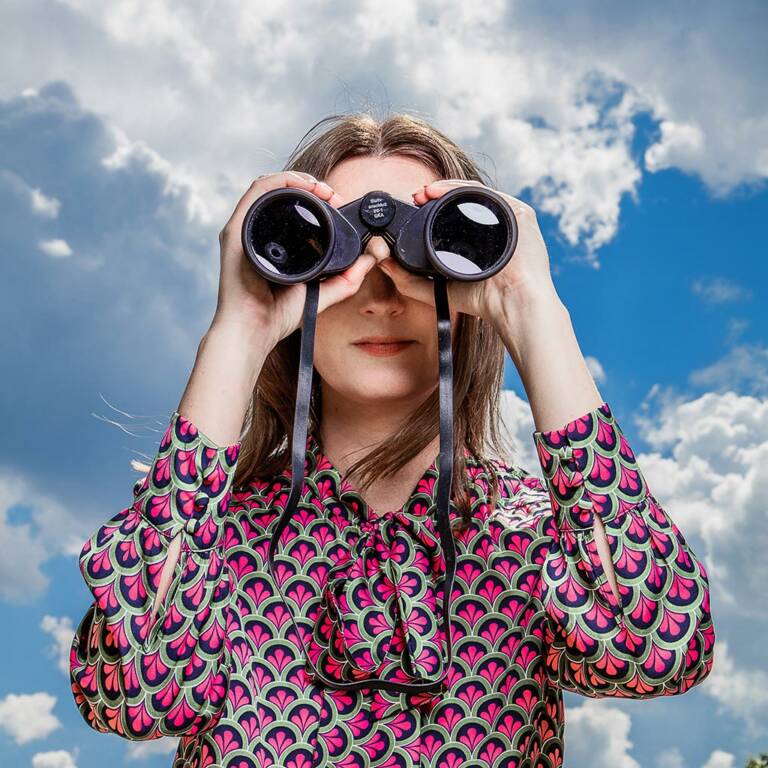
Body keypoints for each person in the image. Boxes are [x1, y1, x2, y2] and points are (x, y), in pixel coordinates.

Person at [69, 112, 715, 768]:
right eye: (334, 253)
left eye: (425, 253)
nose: (382, 297)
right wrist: (240, 325)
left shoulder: (529, 538)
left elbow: (659, 647)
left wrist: (530, 303)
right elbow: (130, 696)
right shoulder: (217, 540)